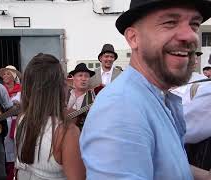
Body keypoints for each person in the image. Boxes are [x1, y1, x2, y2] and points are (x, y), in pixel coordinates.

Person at [79, 0, 211, 179]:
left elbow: (167, 164)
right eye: (170, 22)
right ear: (134, 38)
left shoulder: (157, 95)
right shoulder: (121, 109)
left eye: (194, 24)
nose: (190, 36)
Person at [15, 53, 85, 180]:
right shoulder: (67, 133)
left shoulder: (22, 118)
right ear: (58, 87)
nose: (67, 85)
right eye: (64, 80)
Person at [0, 65, 21, 180]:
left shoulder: (21, 90)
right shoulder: (0, 91)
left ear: (14, 76)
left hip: (18, 123)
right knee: (5, 151)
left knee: (17, 149)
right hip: (4, 123)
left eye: (8, 74)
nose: (5, 76)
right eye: (4, 74)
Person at [67, 63, 95, 130]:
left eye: (86, 76)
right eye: (80, 75)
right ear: (73, 77)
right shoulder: (64, 94)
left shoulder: (93, 97)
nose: (83, 79)